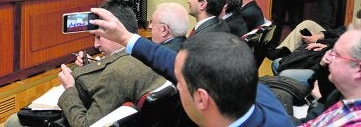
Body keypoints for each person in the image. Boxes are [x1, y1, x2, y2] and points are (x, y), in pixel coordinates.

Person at [87, 8, 293, 126]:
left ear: (202, 99)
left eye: (180, 83)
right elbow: (171, 62)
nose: (175, 83)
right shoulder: (254, 91)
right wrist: (125, 37)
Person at [5, 0, 166, 127]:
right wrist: (88, 69)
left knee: (13, 121)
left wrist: (69, 89)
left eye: (98, 37)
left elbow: (85, 124)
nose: (96, 45)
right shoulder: (148, 55)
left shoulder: (117, 73)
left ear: (114, 31)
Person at [299, 30, 361, 126]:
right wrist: (322, 67)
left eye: (336, 54)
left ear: (359, 69)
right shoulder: (340, 95)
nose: (329, 58)